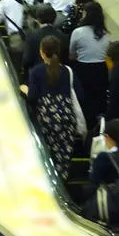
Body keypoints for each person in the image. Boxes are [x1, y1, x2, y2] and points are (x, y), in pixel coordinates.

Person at [28, 36, 80, 180]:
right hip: (67, 118)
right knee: (62, 158)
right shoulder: (67, 70)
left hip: (47, 119)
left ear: (42, 52)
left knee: (46, 155)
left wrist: (25, 90)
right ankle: (62, 186)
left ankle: (49, 184)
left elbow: (32, 96)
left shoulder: (36, 71)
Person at [69, 1, 111, 130]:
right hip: (102, 70)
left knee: (85, 101)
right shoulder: (107, 34)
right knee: (99, 100)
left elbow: (71, 55)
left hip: (83, 71)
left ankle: (85, 129)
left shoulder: (78, 32)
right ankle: (99, 129)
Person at [22, 4, 64, 76]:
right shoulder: (63, 36)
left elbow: (27, 59)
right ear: (55, 18)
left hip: (38, 74)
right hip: (59, 73)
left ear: (38, 19)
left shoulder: (32, 36)